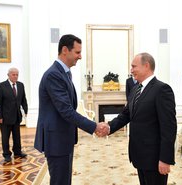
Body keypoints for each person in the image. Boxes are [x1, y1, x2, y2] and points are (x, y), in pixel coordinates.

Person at [34, 34, 108, 185]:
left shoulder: (64, 73)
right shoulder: (53, 75)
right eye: (77, 52)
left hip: (63, 138)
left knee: (64, 179)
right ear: (65, 50)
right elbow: (66, 110)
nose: (80, 57)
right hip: (56, 140)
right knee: (60, 181)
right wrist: (94, 126)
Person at [104, 52, 177, 185]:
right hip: (139, 155)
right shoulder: (136, 89)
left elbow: (169, 127)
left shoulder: (162, 89)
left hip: (155, 158)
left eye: (134, 66)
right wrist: (109, 127)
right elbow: (126, 114)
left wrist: (165, 159)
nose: (131, 70)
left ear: (146, 66)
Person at [0, 67, 28, 163]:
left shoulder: (21, 85)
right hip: (5, 118)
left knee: (17, 136)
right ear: (8, 75)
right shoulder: (1, 86)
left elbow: (23, 99)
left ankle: (17, 152)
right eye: (13, 74)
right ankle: (6, 154)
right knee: (5, 137)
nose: (15, 76)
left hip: (17, 116)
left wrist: (25, 110)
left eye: (17, 74)